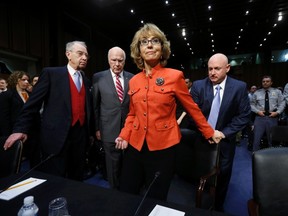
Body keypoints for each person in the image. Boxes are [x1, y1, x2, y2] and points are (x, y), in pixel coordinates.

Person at [114, 23, 224, 201]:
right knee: (127, 192)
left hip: (163, 149)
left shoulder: (175, 76)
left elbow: (191, 107)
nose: (149, 45)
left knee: (155, 196)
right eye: (144, 42)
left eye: (155, 41)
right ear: (138, 50)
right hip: (135, 146)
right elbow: (132, 114)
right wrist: (124, 135)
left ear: (162, 48)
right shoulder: (134, 81)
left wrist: (208, 131)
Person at [3, 41, 94, 181]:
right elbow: (32, 105)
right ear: (68, 54)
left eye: (86, 55)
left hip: (79, 138)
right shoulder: (51, 74)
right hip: (56, 138)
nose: (84, 58)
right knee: (55, 180)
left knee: (76, 179)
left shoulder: (86, 81)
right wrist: (20, 129)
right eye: (80, 53)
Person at [190, 53, 251, 211]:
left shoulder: (239, 87)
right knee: (200, 174)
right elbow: (193, 113)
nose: (212, 72)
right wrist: (207, 132)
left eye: (217, 68)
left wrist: (222, 133)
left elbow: (243, 115)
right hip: (202, 139)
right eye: (210, 69)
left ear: (227, 68)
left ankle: (218, 207)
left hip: (225, 140)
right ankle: (198, 206)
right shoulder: (198, 86)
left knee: (223, 176)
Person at [92, 46, 134, 189]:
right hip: (108, 128)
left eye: (120, 60)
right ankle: (115, 193)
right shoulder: (98, 77)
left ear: (124, 61)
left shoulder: (132, 78)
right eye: (113, 60)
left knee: (128, 164)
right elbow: (95, 106)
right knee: (112, 166)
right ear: (108, 60)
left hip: (130, 131)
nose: (117, 64)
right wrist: (97, 128)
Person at [250, 75, 285, 151]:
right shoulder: (257, 93)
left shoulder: (277, 92)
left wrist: (277, 112)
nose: (265, 83)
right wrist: (257, 111)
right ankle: (255, 156)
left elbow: (282, 103)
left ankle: (272, 157)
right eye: (263, 81)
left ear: (271, 82)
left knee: (272, 139)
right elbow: (251, 104)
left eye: (267, 81)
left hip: (272, 117)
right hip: (259, 118)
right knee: (256, 139)